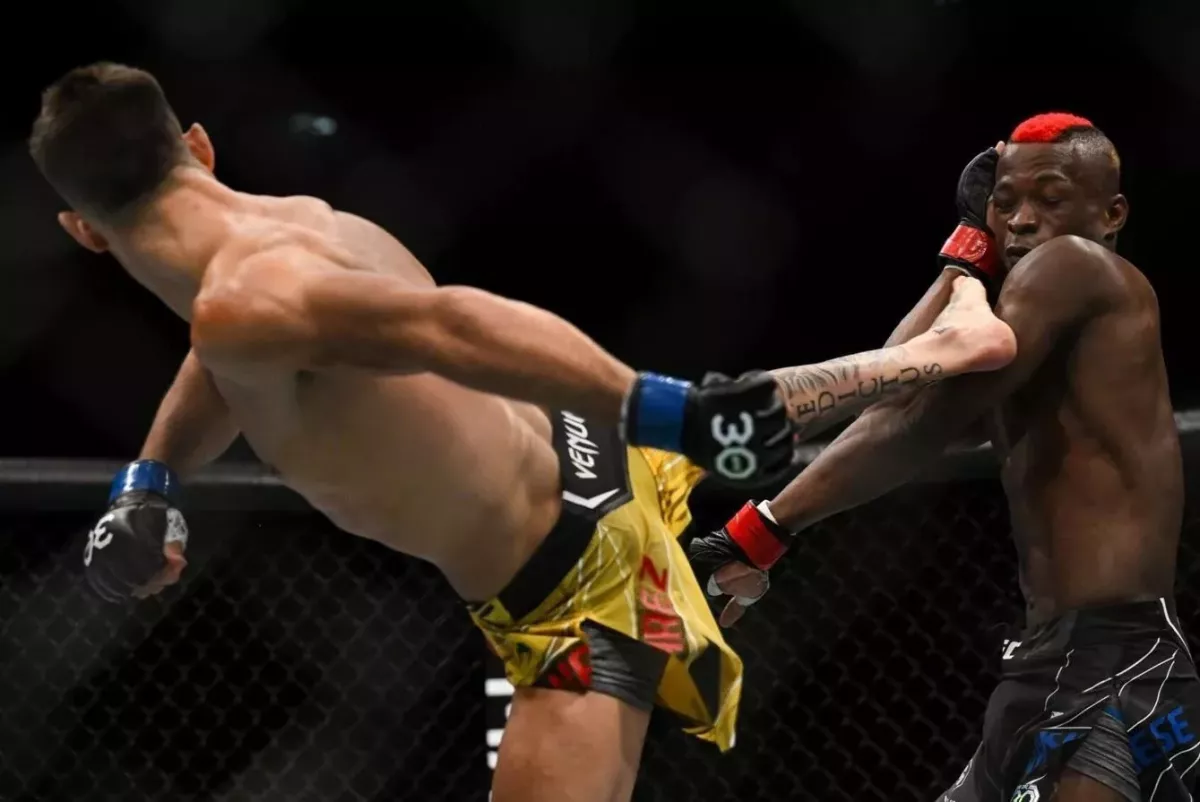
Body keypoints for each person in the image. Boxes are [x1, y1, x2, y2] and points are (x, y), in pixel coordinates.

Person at [32, 62, 1014, 802]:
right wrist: (149, 480)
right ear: (198, 147)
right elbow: (221, 362)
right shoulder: (289, 239)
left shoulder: (246, 299)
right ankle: (946, 322)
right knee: (710, 417)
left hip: (574, 592)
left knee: (693, 417)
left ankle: (939, 344)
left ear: (83, 230)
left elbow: (451, 324)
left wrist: (660, 406)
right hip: (589, 461)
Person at [692, 112, 1196, 802]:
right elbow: (898, 392)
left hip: (1113, 661)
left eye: (1049, 198)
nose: (1022, 220)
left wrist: (763, 530)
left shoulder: (1075, 267)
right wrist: (965, 258)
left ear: (1111, 214)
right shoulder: (1037, 335)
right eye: (1004, 202)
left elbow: (921, 420)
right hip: (1059, 659)